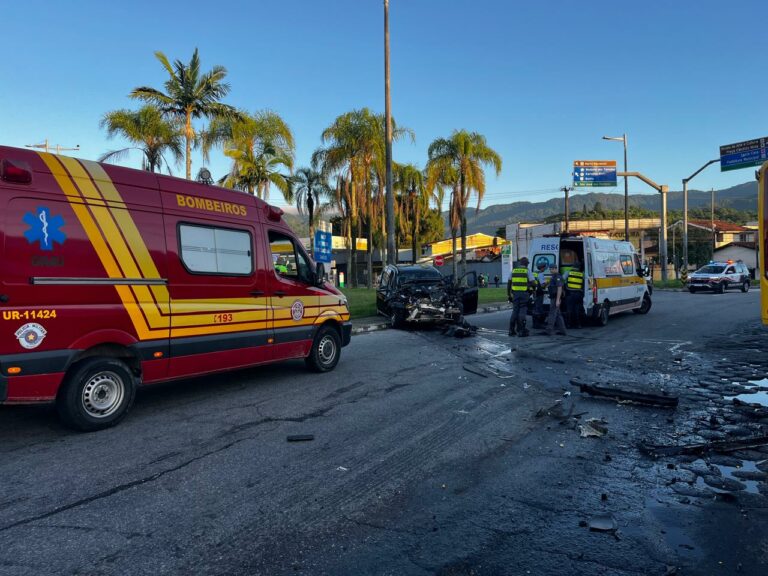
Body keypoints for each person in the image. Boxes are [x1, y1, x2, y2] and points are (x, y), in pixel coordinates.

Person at [507, 256, 535, 337]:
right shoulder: (527, 271)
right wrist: (534, 286)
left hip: (515, 294)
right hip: (524, 294)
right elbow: (533, 282)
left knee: (515, 311)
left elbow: (509, 283)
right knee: (522, 311)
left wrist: (509, 294)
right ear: (526, 264)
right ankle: (521, 331)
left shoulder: (514, 270)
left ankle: (511, 330)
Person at [543, 263, 567, 336]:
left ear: (555, 269)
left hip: (555, 298)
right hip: (554, 297)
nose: (550, 270)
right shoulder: (553, 276)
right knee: (558, 315)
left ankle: (549, 330)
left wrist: (557, 300)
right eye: (550, 269)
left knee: (552, 314)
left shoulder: (557, 277)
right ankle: (563, 331)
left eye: (552, 269)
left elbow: (559, 288)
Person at [564, 261, 585, 328]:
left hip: (569, 294)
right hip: (578, 294)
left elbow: (562, 280)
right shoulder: (582, 274)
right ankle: (578, 324)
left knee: (569, 309)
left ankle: (568, 324)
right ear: (579, 267)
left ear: (573, 266)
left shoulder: (568, 273)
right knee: (577, 309)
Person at [532, 260, 548, 329]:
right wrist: (548, 282)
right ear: (542, 268)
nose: (545, 269)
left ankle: (535, 323)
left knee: (536, 308)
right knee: (539, 308)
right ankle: (537, 324)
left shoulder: (534, 273)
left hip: (535, 292)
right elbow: (543, 286)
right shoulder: (541, 274)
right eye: (545, 267)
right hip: (539, 293)